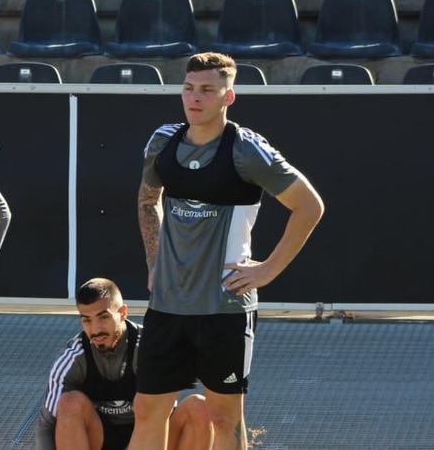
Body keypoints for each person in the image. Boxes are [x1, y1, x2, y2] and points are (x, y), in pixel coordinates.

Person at [130, 53, 324, 450]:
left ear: (228, 97)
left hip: (224, 309)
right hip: (167, 306)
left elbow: (310, 206)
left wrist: (267, 270)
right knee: (148, 411)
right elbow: (148, 200)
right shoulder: (163, 141)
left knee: (224, 418)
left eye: (206, 90)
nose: (194, 98)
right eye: (188, 88)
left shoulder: (247, 151)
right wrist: (154, 260)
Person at [36, 278, 212, 450]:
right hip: (100, 437)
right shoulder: (72, 358)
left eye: (103, 317)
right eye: (87, 320)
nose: (95, 329)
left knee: (200, 408)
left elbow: (162, 414)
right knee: (69, 403)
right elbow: (46, 427)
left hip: (151, 436)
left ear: (123, 313)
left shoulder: (151, 350)